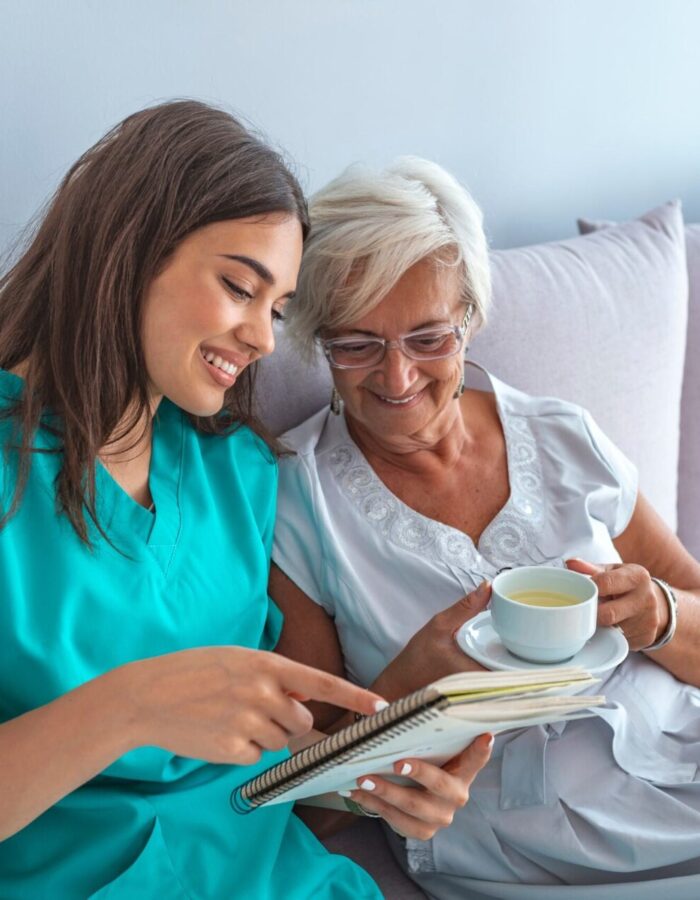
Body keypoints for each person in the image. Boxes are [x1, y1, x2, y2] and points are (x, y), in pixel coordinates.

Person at [0, 107, 492, 899]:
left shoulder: (240, 470)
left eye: (279, 309)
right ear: (128, 250)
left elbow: (257, 780)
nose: (263, 339)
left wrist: (375, 786)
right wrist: (129, 707)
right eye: (239, 287)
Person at [270, 157, 700, 899]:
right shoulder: (297, 503)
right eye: (356, 344)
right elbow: (307, 805)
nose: (397, 379)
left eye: (428, 338)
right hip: (538, 852)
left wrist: (658, 613)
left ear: (469, 316)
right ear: (317, 341)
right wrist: (409, 690)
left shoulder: (565, 436)